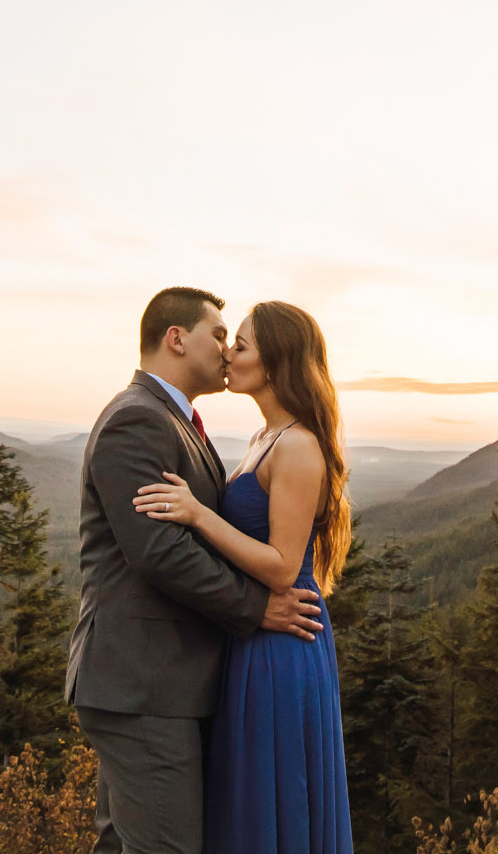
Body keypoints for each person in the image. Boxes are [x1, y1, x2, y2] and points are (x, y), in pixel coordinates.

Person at [68, 287, 324, 854]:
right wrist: (256, 608)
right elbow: (159, 551)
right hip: (145, 684)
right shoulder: (137, 420)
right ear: (176, 339)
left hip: (164, 685)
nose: (227, 352)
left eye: (238, 342)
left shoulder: (182, 423)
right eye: (219, 336)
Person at [134, 300, 355, 854]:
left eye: (243, 344)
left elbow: (283, 565)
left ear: (276, 364)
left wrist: (197, 513)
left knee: (275, 792)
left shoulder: (299, 445)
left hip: (283, 641)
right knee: (251, 796)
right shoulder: (265, 439)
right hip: (254, 637)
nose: (229, 353)